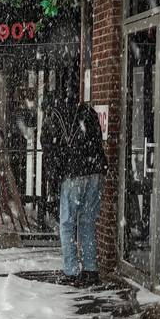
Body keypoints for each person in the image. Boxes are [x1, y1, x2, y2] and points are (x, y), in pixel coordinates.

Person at [41, 90, 107, 286]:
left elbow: (51, 152)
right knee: (87, 220)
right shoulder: (88, 111)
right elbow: (96, 141)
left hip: (74, 173)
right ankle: (90, 269)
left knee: (67, 223)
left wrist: (54, 180)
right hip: (96, 171)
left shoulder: (54, 118)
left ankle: (71, 271)